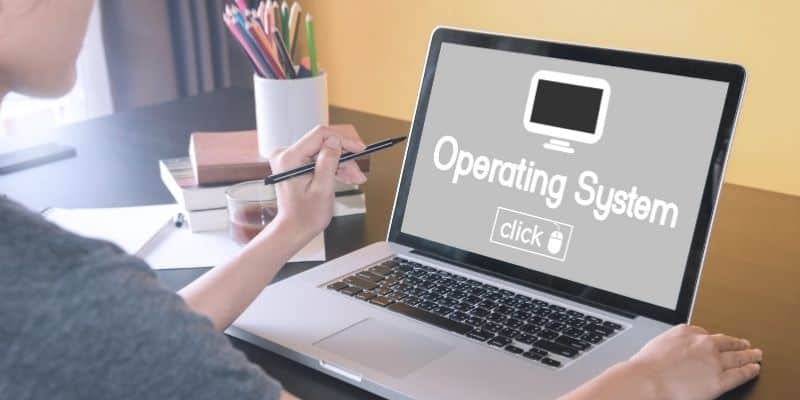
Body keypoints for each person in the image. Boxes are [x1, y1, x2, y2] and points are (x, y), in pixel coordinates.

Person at [0, 1, 762, 399]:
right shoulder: (57, 292)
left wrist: (293, 228)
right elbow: (104, 330)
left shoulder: (64, 300)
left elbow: (131, 343)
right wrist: (642, 384)